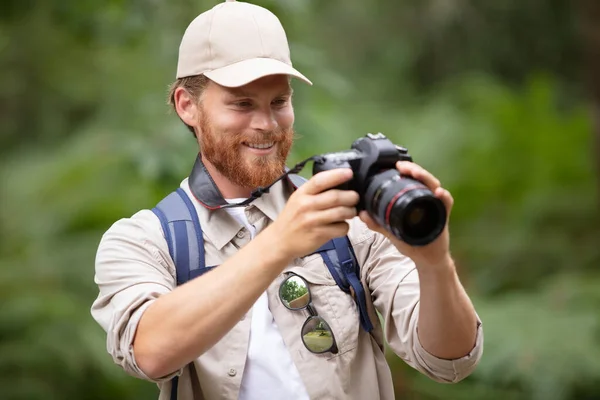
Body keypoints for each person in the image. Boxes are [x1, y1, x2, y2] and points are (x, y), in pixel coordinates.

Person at [90, 1, 484, 399]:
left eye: (279, 102)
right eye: (242, 104)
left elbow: (449, 360)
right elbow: (152, 352)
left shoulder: (350, 222)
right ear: (187, 105)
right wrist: (280, 243)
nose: (266, 124)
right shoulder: (143, 240)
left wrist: (435, 264)